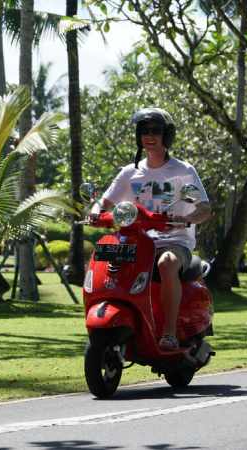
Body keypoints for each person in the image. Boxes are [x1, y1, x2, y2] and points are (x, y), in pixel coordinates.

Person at [91, 107, 212, 351]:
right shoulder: (130, 173)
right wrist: (94, 211)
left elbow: (204, 208)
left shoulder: (181, 172)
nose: (149, 135)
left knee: (166, 262)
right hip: (137, 241)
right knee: (104, 258)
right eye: (144, 130)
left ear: (166, 136)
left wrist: (187, 219)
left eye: (156, 131)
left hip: (174, 241)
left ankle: (168, 334)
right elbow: (104, 202)